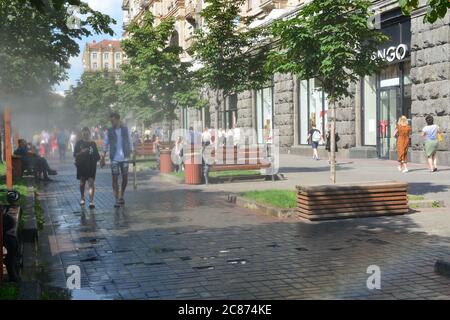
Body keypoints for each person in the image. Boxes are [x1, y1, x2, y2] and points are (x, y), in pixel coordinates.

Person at [100, 112, 134, 207]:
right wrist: (103, 156)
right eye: (111, 121)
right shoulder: (109, 131)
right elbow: (105, 143)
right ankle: (116, 198)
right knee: (114, 178)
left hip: (125, 156)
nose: (112, 123)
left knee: (125, 178)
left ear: (118, 120)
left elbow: (130, 141)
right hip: (114, 157)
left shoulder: (125, 129)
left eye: (113, 121)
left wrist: (133, 151)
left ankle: (121, 195)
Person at [74, 127, 100, 209]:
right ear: (82, 134)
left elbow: (97, 156)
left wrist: (100, 161)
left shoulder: (93, 143)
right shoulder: (79, 143)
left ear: (89, 133)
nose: (86, 135)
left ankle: (91, 201)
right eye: (84, 134)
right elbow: (75, 154)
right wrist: (81, 152)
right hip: (82, 165)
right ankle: (82, 197)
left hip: (91, 166)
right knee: (82, 183)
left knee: (91, 183)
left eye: (87, 134)